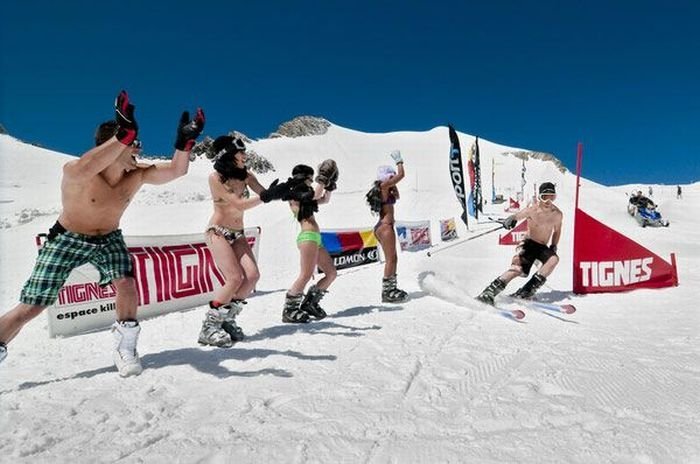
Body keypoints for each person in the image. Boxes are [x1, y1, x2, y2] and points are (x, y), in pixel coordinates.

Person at [0, 91, 205, 376]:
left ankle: (125, 348)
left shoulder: (137, 175)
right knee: (32, 306)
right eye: (134, 144)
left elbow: (177, 171)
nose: (139, 150)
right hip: (67, 238)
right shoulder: (77, 172)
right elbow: (85, 165)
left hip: (109, 238)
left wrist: (184, 143)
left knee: (127, 285)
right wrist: (122, 136)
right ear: (114, 145)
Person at [198, 135, 289, 347]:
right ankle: (209, 327)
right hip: (218, 232)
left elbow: (264, 193)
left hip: (237, 233)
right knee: (234, 278)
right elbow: (238, 204)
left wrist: (284, 191)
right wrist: (266, 197)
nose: (245, 155)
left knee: (252, 276)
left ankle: (227, 320)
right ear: (228, 155)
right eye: (241, 152)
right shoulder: (216, 178)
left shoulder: (247, 175)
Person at [476, 182, 562, 303]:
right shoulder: (532, 210)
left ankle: (527, 291)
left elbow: (557, 231)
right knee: (517, 269)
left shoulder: (557, 214)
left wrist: (554, 245)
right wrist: (510, 220)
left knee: (554, 259)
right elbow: (517, 216)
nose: (548, 201)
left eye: (551, 197)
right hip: (528, 244)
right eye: (545, 197)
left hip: (542, 247)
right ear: (539, 197)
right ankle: (489, 293)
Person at [281, 161, 338, 323]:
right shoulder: (294, 195)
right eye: (310, 179)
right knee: (305, 275)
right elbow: (316, 195)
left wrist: (330, 185)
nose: (312, 182)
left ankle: (310, 303)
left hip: (315, 239)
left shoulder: (307, 196)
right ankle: (290, 308)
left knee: (331, 273)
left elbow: (324, 199)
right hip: (307, 237)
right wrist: (323, 179)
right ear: (305, 178)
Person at [365, 150, 408, 303]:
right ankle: (388, 291)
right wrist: (399, 161)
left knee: (393, 258)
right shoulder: (383, 186)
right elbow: (401, 175)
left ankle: (391, 288)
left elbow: (397, 196)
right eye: (390, 176)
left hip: (384, 226)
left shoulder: (386, 189)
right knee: (391, 259)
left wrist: (393, 186)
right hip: (385, 227)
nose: (392, 179)